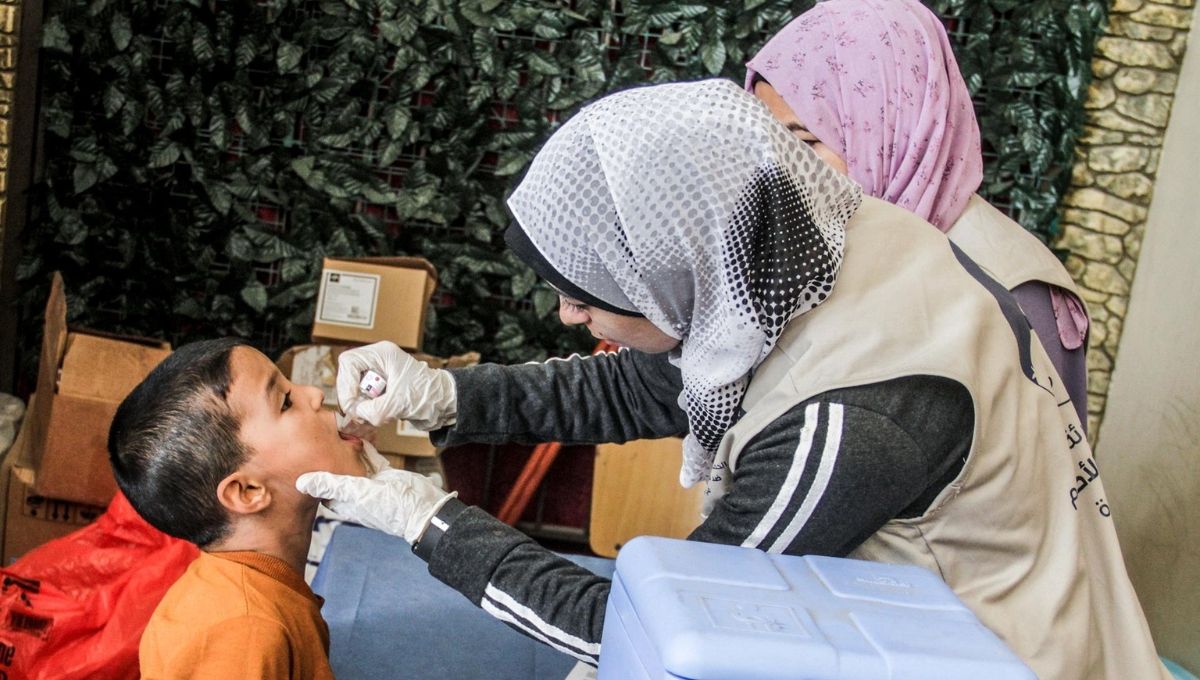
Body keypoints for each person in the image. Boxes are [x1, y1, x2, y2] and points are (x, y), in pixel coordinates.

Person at [297, 80, 1167, 679]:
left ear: (674, 271)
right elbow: (669, 380)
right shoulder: (823, 235)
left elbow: (658, 626)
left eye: (584, 295)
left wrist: (431, 524)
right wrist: (448, 394)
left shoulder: (850, 425)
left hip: (1013, 657)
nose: (565, 315)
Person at [744, 0, 1092, 429]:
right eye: (765, 141)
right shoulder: (820, 246)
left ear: (891, 127)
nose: (777, 168)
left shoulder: (1012, 291)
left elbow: (1040, 479)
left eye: (803, 143)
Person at [108, 338, 382, 680]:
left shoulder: (256, 594)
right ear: (248, 491)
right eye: (285, 402)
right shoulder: (245, 634)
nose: (313, 393)